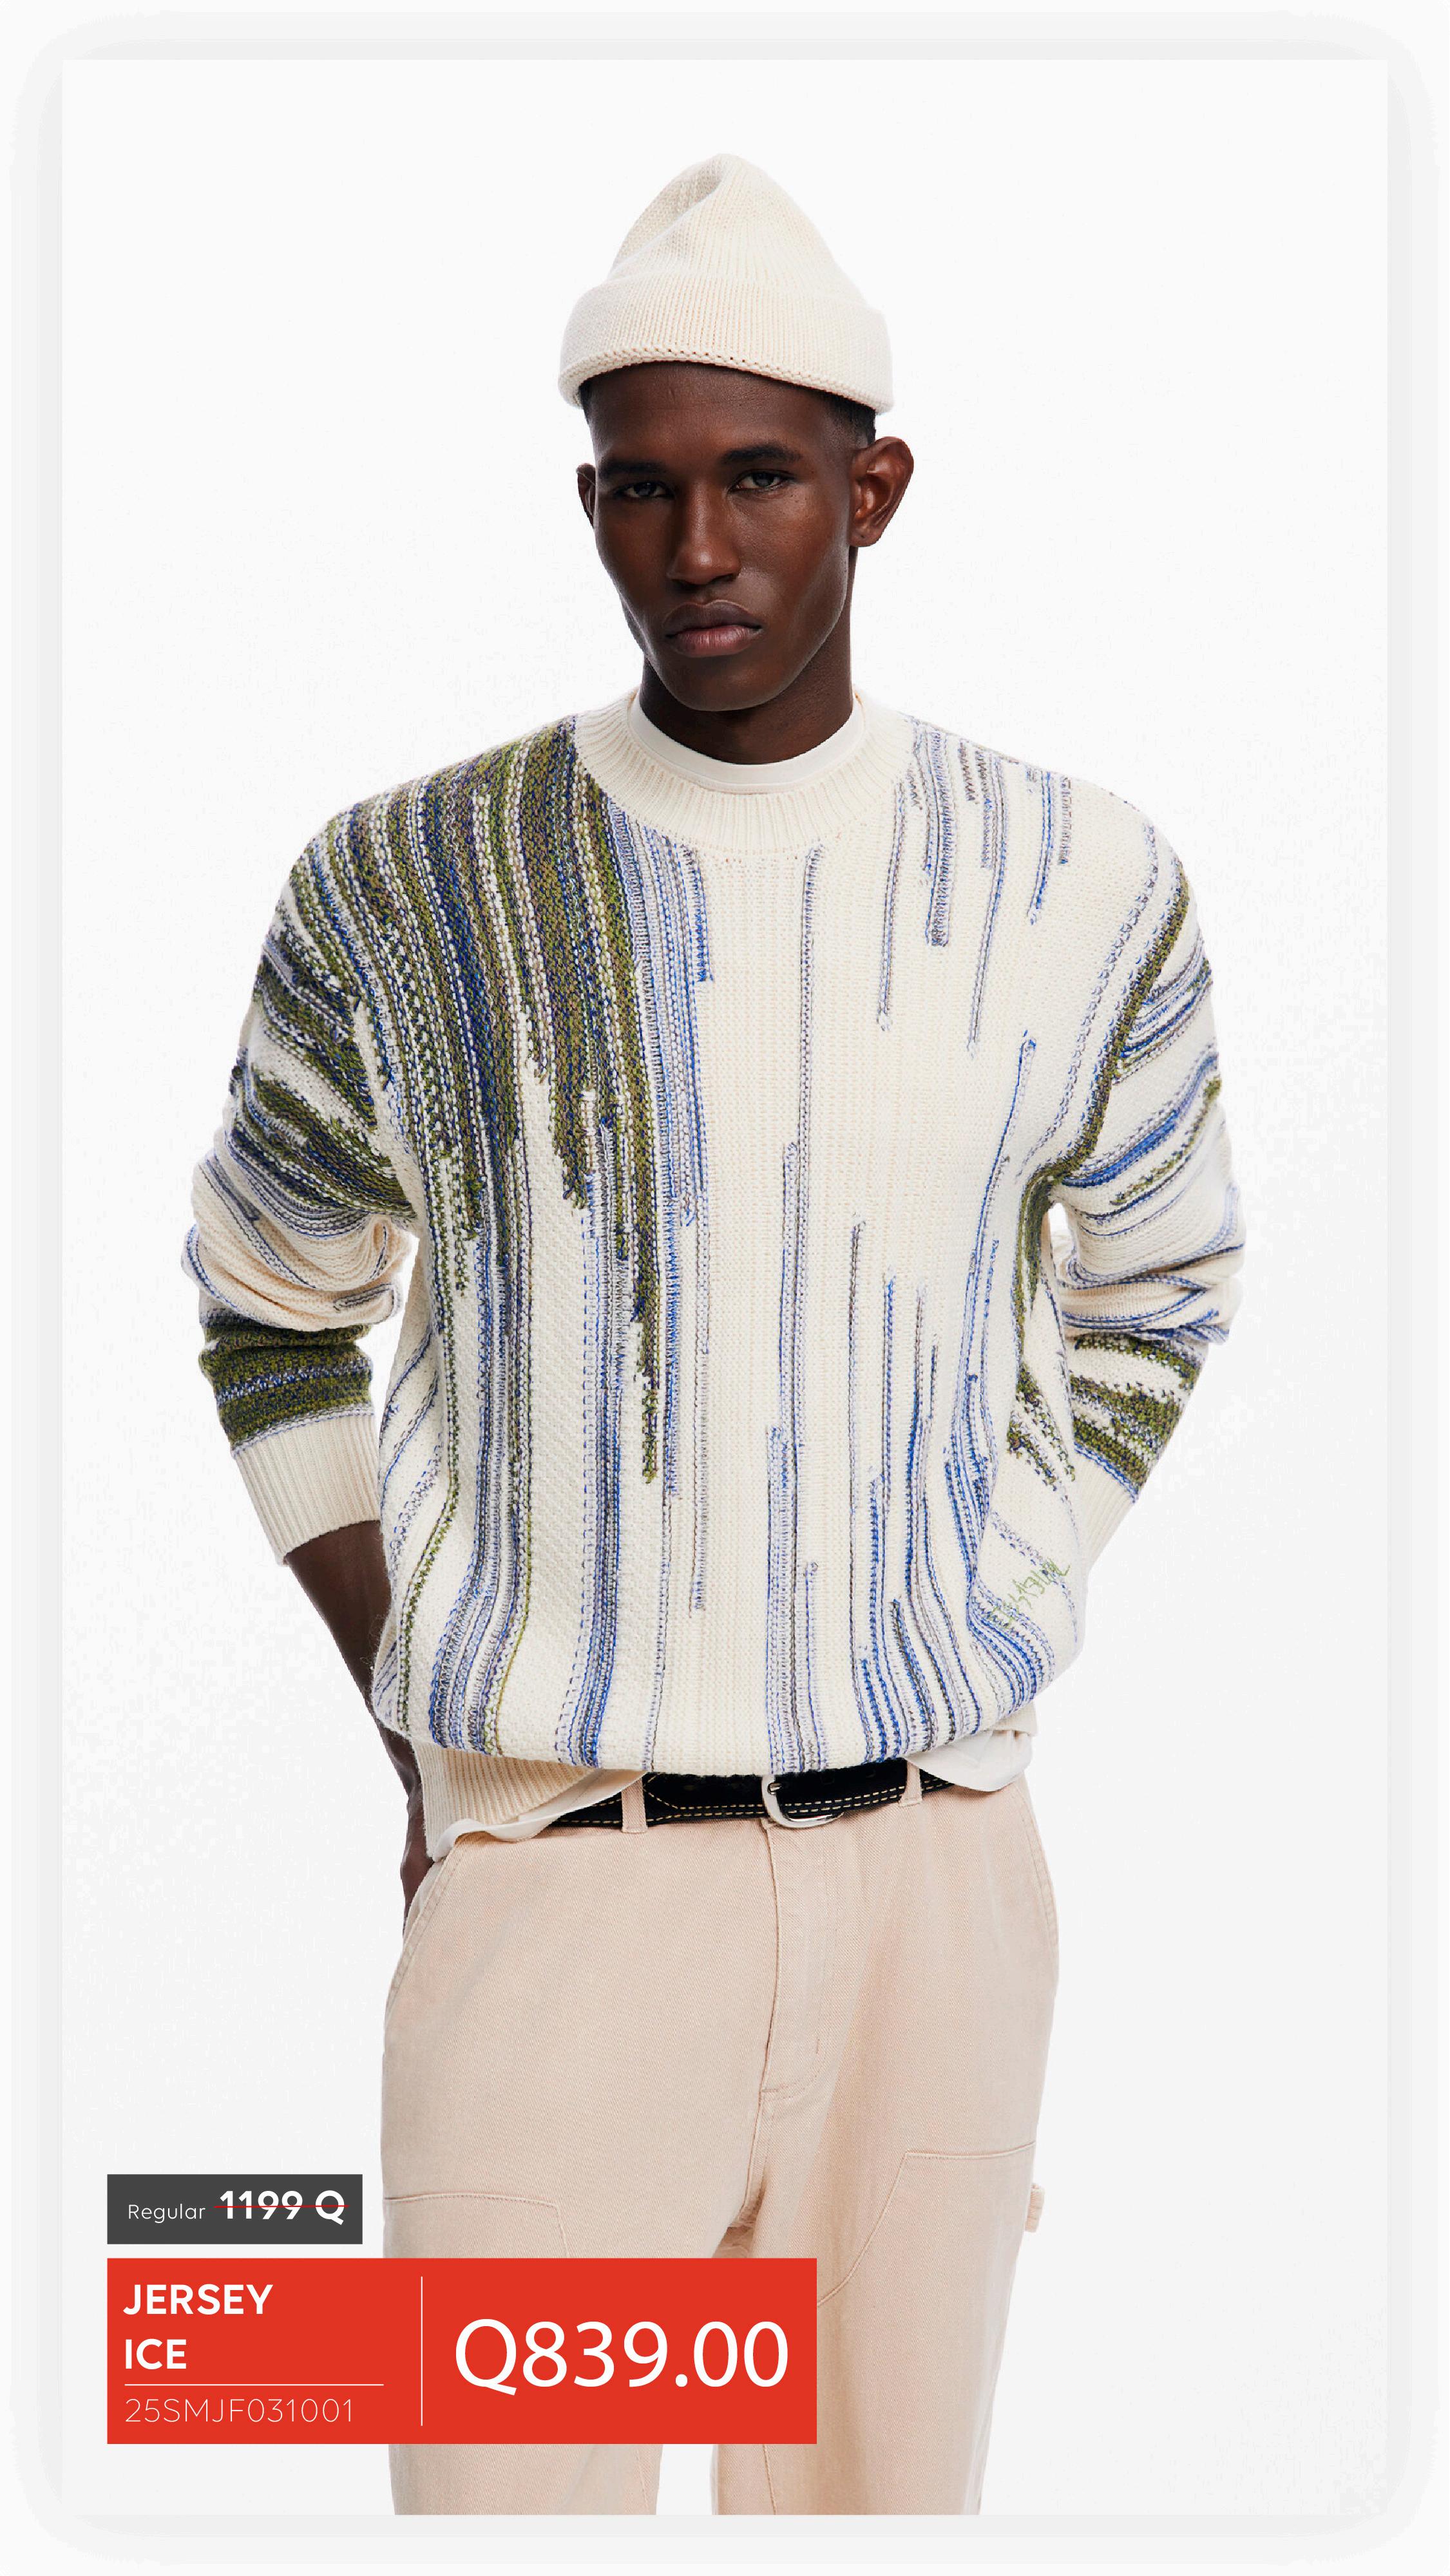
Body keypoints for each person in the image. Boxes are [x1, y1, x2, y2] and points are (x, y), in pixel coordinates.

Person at [182, 151, 1247, 2516]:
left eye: (758, 477)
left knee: (882, 2526)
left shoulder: (1078, 881)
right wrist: (409, 1693)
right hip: (558, 1888)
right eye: (638, 487)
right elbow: (269, 1305)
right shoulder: (408, 885)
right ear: (588, 501)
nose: (697, 547)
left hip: (935, 1895)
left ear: (874, 488)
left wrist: (1003, 1573)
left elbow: (1159, 1280)